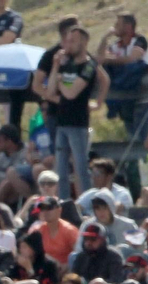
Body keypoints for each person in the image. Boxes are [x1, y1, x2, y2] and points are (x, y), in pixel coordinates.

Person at [43, 25, 109, 200]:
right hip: (62, 121)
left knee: (80, 166)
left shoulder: (88, 66)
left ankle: (87, 202)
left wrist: (98, 103)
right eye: (67, 41)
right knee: (60, 170)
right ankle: (64, 203)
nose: (68, 45)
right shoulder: (67, 64)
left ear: (83, 42)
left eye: (73, 41)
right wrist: (56, 67)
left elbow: (71, 93)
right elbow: (49, 92)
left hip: (78, 123)